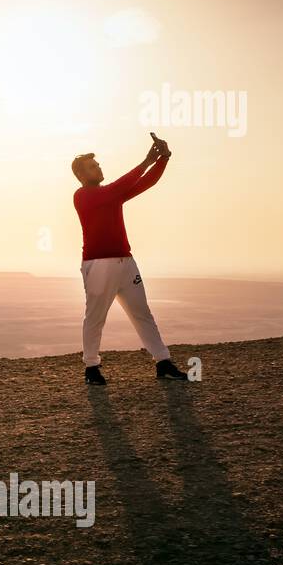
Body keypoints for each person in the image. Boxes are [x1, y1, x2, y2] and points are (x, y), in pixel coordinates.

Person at [72, 134, 188, 384]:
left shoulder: (109, 194)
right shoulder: (83, 196)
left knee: (142, 314)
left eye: (98, 164)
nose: (99, 167)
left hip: (126, 263)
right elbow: (121, 186)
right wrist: (147, 160)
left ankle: (163, 362)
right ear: (82, 175)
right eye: (93, 166)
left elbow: (146, 183)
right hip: (99, 265)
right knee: (95, 317)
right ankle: (91, 368)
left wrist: (163, 158)